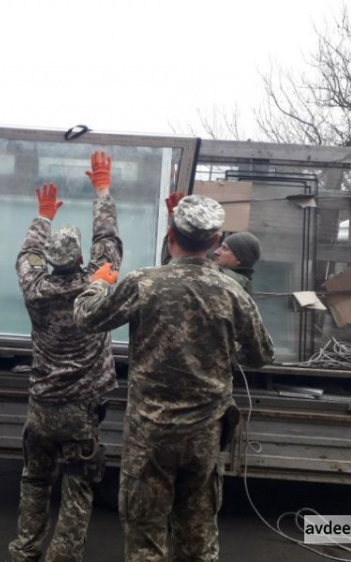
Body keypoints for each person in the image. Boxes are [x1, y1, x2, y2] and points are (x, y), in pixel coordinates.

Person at [74, 195, 274, 561]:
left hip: (150, 435)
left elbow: (87, 318)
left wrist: (98, 283)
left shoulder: (142, 284)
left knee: (146, 541)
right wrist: (226, 351)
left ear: (170, 237)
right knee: (196, 541)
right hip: (204, 434)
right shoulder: (233, 292)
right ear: (214, 243)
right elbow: (261, 355)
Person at [8, 151, 123, 562]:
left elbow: (26, 256)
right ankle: (63, 557)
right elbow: (107, 241)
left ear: (47, 263)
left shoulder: (34, 289)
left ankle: (25, 551)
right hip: (80, 410)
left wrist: (42, 216)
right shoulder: (96, 285)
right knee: (77, 485)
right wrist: (103, 189)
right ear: (79, 259)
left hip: (40, 406)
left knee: (34, 479)